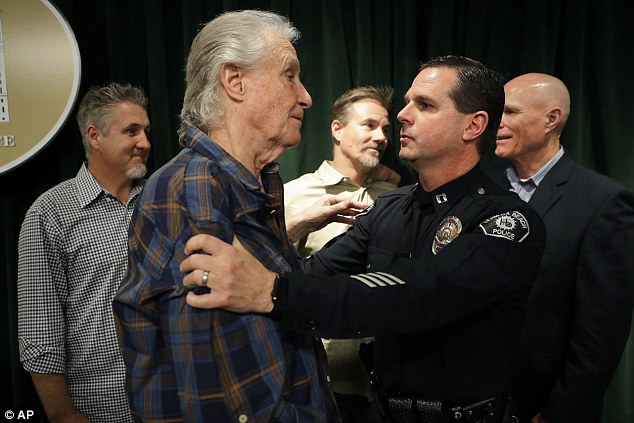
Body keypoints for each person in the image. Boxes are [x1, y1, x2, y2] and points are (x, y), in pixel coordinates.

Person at [180, 55, 547, 423]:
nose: (403, 115)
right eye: (407, 102)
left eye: (425, 105)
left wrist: (273, 292)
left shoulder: (507, 221)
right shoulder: (389, 209)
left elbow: (419, 293)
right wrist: (285, 241)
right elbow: (313, 274)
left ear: (473, 125)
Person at [112, 10, 363, 422]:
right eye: (289, 75)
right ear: (234, 81)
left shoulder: (252, 183)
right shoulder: (194, 186)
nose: (306, 96)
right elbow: (230, 395)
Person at [490, 73, 634, 423]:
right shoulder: (481, 188)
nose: (497, 123)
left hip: (540, 406)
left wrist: (558, 415)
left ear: (551, 119)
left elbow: (600, 335)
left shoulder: (602, 201)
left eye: (510, 112)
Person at [17, 82, 151, 422]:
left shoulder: (162, 198)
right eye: (131, 131)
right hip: (101, 409)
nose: (145, 143)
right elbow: (40, 333)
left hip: (177, 399)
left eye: (146, 131)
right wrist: (63, 415)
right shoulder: (49, 214)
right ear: (94, 136)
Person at [284, 86, 397, 421]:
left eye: (386, 129)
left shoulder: (395, 197)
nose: (380, 137)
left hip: (386, 382)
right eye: (369, 125)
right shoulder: (295, 196)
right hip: (323, 381)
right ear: (337, 129)